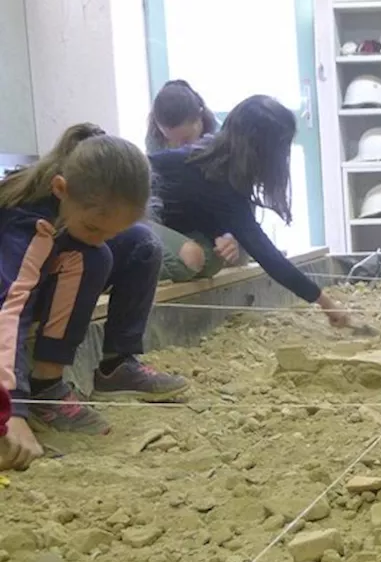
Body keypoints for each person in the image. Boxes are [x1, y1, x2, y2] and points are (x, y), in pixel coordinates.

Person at [0, 123, 189, 448]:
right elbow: (11, 308)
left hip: (45, 269)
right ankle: (46, 387)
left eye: (112, 231)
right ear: (60, 189)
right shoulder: (29, 225)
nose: (103, 238)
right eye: (93, 226)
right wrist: (11, 410)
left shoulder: (79, 212)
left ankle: (118, 366)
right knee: (93, 255)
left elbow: (106, 237)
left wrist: (104, 236)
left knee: (142, 243)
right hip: (10, 288)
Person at [149, 95, 351, 326]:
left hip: (165, 223)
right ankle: (119, 273)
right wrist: (326, 304)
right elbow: (265, 253)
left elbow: (195, 210)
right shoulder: (211, 172)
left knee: (213, 258)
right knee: (190, 258)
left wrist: (223, 234)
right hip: (131, 218)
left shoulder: (224, 168)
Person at [145, 79, 218, 153]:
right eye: (170, 139)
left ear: (200, 119)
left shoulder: (220, 138)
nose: (179, 148)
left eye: (186, 140)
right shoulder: (154, 140)